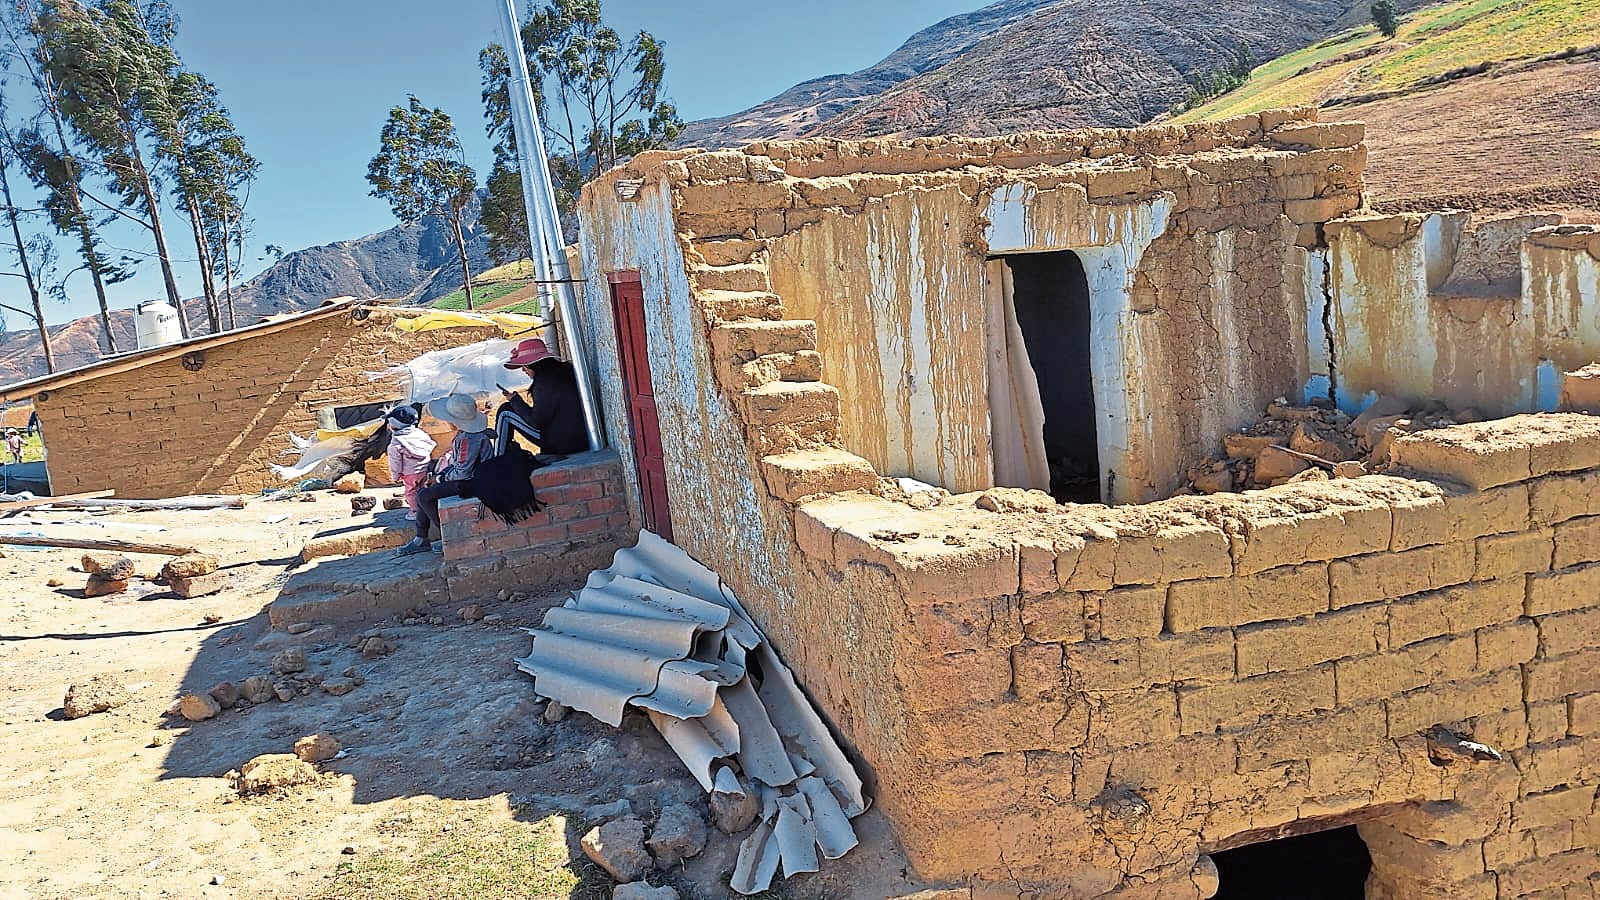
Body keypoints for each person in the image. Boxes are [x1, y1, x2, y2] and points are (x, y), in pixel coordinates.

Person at [395, 394, 496, 557]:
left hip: (474, 483)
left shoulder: (468, 439)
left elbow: (463, 472)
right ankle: (421, 538)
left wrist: (439, 479)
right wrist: (438, 476)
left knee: (424, 496)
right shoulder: (467, 435)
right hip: (470, 478)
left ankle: (447, 536)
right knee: (425, 489)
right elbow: (457, 465)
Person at [495, 338, 587, 458]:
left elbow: (536, 421)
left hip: (563, 443)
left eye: (524, 366)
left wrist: (515, 400)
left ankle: (497, 459)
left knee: (505, 412)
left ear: (533, 364)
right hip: (577, 437)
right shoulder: (562, 372)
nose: (523, 370)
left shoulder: (545, 382)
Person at [382, 405, 435, 521]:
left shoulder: (396, 444)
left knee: (411, 492)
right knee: (424, 489)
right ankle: (427, 508)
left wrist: (395, 476)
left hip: (410, 474)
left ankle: (416, 512)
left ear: (393, 426)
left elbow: (395, 462)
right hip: (425, 468)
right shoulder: (420, 434)